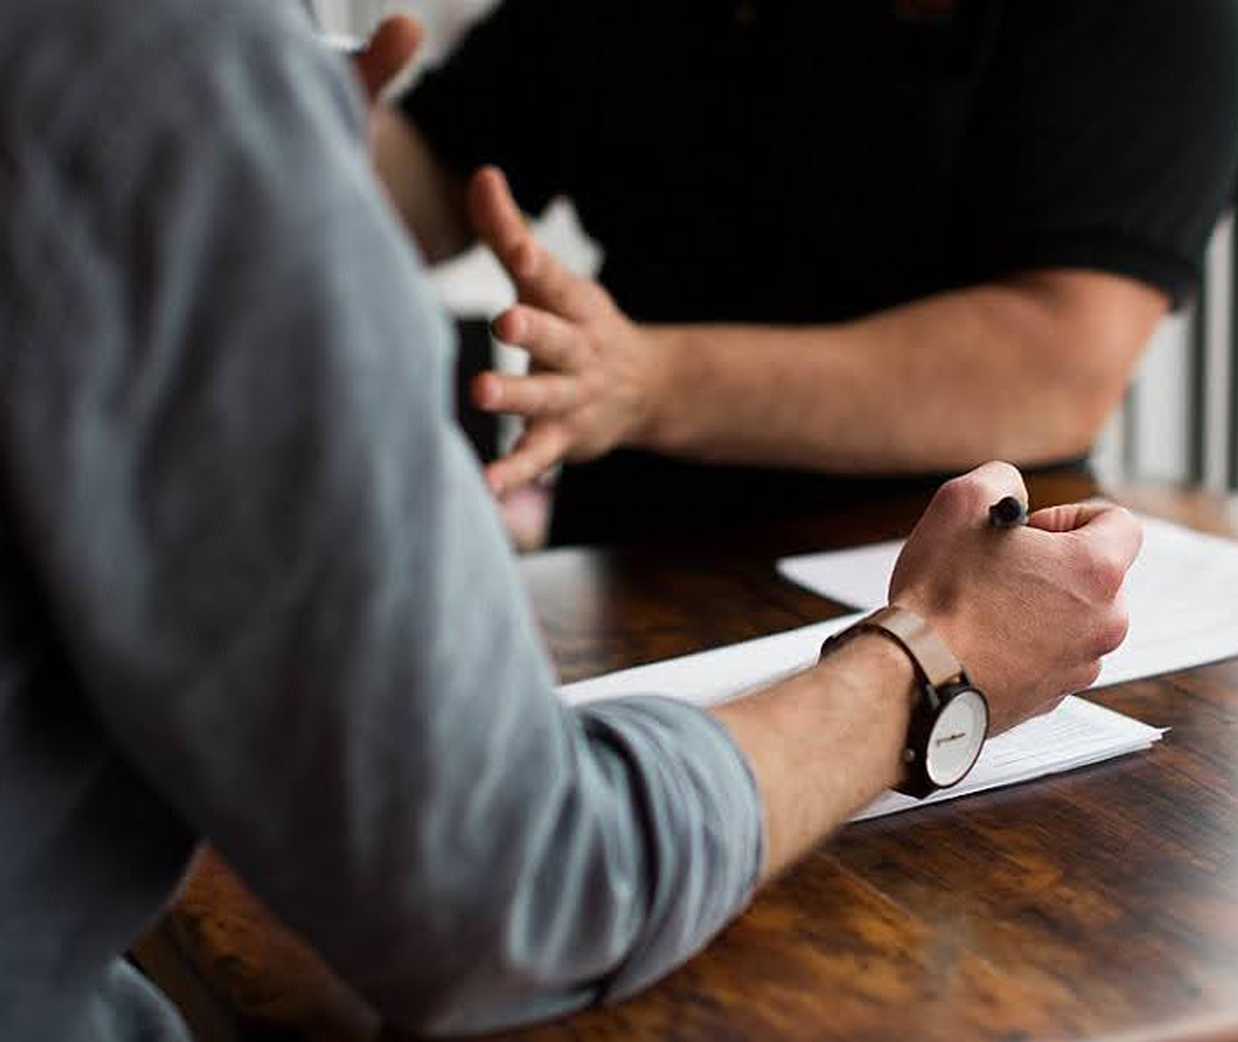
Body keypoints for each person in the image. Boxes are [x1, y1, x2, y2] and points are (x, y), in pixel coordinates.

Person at [0, 1, 1143, 1039]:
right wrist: (935, 658)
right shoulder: (155, 56)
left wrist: (275, 156)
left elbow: (1063, 359)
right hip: (645, 625)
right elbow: (503, 884)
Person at [373, 0, 1238, 543]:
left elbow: (1055, 364)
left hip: (943, 580)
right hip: (631, 562)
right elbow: (441, 168)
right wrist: (307, 145)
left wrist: (646, 382)